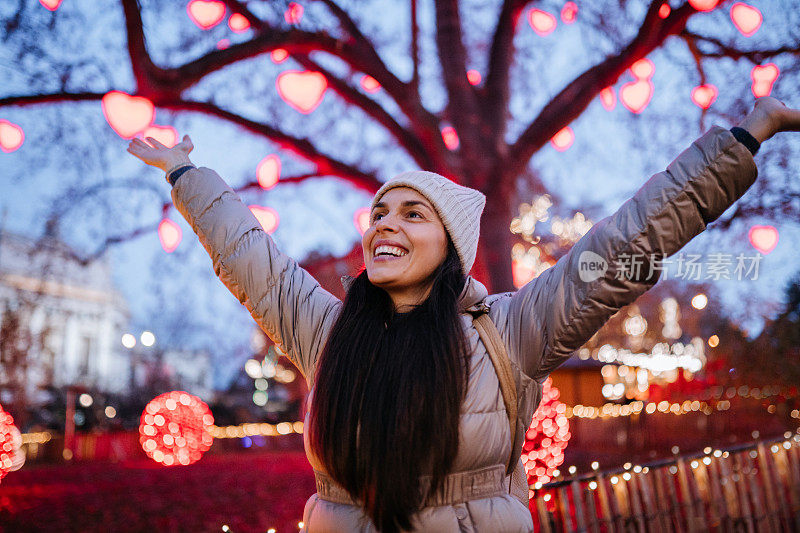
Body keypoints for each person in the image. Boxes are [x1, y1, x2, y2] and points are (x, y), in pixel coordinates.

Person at [128, 96, 800, 532]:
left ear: (452, 246)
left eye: (411, 213)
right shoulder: (328, 331)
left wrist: (745, 136)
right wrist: (187, 174)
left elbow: (626, 242)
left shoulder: (507, 332)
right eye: (380, 213)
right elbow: (250, 258)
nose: (384, 225)